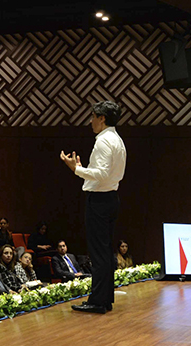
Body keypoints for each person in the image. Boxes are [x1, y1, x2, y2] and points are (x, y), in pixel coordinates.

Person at [60, 101, 125, 314]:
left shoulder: (104, 141)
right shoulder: (117, 139)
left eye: (93, 117)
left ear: (102, 118)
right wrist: (83, 169)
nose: (91, 121)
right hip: (111, 198)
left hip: (99, 200)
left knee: (98, 254)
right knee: (105, 252)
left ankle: (97, 301)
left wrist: (76, 169)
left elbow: (102, 174)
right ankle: (104, 300)